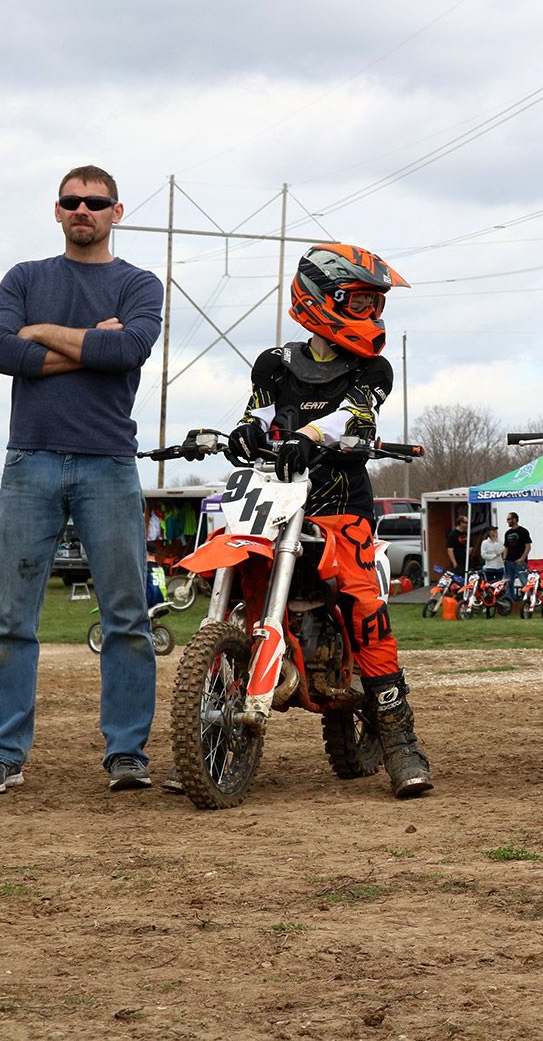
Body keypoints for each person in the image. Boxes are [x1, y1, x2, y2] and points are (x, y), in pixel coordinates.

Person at [0, 165, 163, 794]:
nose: (83, 209)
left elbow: (126, 353)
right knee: (10, 618)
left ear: (117, 211)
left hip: (109, 462)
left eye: (95, 202)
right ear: (57, 211)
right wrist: (87, 345)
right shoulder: (25, 277)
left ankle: (127, 755)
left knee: (127, 616)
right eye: (71, 201)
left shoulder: (139, 284)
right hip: (29, 460)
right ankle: (0, 752)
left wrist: (40, 336)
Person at [224, 243, 433, 797]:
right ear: (321, 299)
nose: (372, 316)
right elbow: (259, 413)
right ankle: (211, 732)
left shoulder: (372, 367)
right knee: (238, 580)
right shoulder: (274, 364)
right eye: (360, 303)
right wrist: (247, 431)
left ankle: (400, 743)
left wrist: (310, 436)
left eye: (375, 305)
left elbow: (355, 415)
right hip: (275, 500)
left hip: (341, 506)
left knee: (364, 607)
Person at [501, 511, 533, 595]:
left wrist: (522, 558)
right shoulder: (507, 533)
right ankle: (510, 602)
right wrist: (504, 558)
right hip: (509, 562)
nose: (507, 521)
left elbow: (528, 546)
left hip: (520, 562)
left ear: (514, 519)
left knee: (525, 582)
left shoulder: (523, 531)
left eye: (509, 519)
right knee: (508, 583)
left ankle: (531, 600)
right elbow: (506, 547)